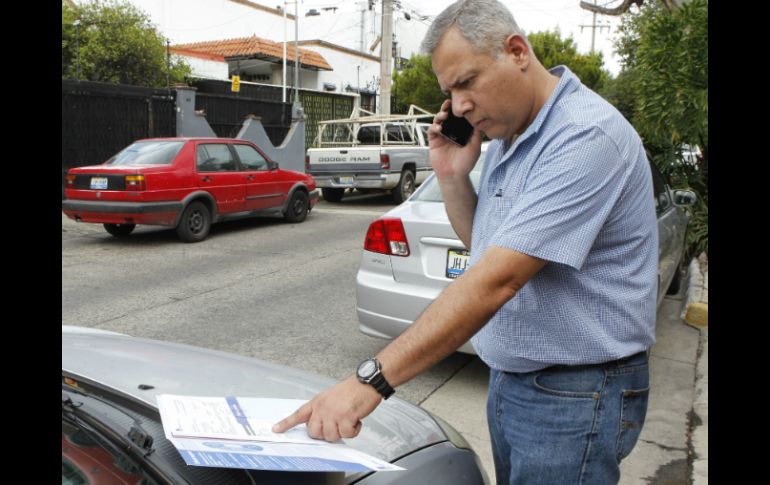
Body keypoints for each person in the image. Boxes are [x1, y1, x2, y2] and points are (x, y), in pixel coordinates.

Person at [273, 0, 658, 483]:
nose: (457, 106)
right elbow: (486, 246)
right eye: (449, 92)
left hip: (575, 392)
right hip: (516, 377)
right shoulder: (509, 136)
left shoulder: (584, 137)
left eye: (466, 82)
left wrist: (369, 380)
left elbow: (497, 281)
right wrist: (453, 176)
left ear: (516, 51)